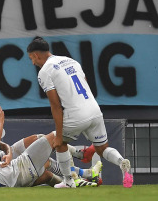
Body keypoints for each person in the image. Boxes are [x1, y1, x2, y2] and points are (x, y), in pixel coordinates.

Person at [26, 36, 133, 188]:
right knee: (102, 149)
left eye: (31, 58)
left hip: (76, 113)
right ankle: (122, 162)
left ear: (36, 54)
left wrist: (59, 132)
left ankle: (68, 181)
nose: (33, 62)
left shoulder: (45, 71)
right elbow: (86, 83)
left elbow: (55, 105)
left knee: (59, 142)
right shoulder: (71, 61)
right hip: (94, 109)